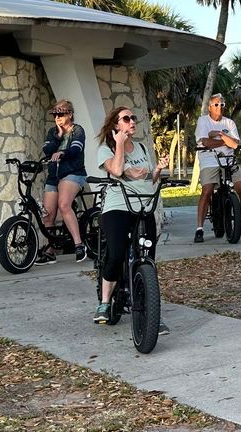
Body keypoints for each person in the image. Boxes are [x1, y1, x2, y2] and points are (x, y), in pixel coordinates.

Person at [93, 107, 170, 327]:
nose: (132, 121)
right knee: (116, 253)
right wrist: (118, 144)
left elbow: (149, 181)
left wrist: (157, 171)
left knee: (148, 259)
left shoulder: (143, 148)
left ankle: (152, 312)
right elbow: (117, 171)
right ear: (116, 125)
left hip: (143, 206)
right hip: (118, 206)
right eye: (126, 119)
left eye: (133, 118)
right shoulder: (106, 149)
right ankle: (105, 303)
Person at [193, 93, 241, 243]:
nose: (220, 107)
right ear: (210, 107)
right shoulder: (203, 121)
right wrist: (225, 140)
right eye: (216, 104)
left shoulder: (229, 123)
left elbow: (235, 144)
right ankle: (199, 229)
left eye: (222, 104)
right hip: (209, 160)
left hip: (228, 160)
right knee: (207, 190)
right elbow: (205, 142)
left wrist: (219, 136)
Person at [37, 99, 87, 264]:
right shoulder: (53, 132)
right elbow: (47, 149)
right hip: (54, 175)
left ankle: (79, 245)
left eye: (61, 114)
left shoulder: (77, 130)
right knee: (48, 215)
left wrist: (62, 153)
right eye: (55, 114)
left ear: (70, 114)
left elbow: (76, 149)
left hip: (73, 172)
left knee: (64, 205)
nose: (57, 117)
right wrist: (58, 137)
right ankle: (50, 250)